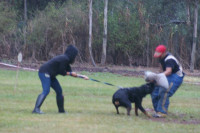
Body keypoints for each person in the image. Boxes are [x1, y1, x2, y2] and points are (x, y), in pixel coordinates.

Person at [32, 45, 89, 114]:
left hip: (51, 75)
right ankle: (36, 109)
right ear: (72, 54)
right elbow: (62, 72)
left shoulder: (66, 60)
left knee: (59, 91)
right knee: (46, 91)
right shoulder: (64, 59)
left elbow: (71, 72)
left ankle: (61, 111)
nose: (75, 57)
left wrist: (82, 76)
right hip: (44, 72)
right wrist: (71, 74)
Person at [151, 44, 184, 118]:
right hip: (167, 75)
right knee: (154, 89)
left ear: (163, 53)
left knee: (164, 90)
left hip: (176, 76)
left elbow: (168, 71)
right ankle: (158, 110)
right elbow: (162, 70)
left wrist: (157, 77)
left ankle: (162, 112)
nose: (158, 56)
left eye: (159, 54)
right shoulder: (161, 58)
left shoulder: (169, 59)